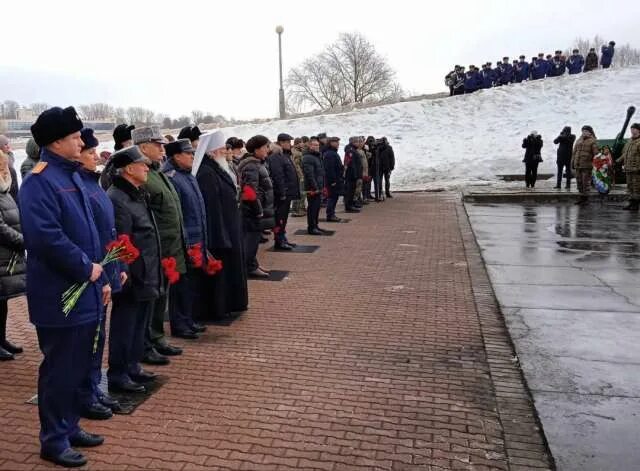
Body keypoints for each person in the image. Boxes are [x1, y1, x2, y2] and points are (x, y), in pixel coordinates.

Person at [20, 106, 106, 468]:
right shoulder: (41, 180)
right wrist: (87, 267)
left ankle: (69, 426)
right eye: (74, 137)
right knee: (60, 369)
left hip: (83, 289)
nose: (80, 142)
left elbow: (88, 229)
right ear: (56, 142)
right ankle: (53, 440)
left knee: (78, 365)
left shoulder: (70, 176)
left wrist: (101, 274)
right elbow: (46, 238)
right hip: (60, 293)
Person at [75, 128, 124, 420]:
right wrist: (104, 275)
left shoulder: (92, 184)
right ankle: (85, 394)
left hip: (103, 270)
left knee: (97, 336)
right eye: (90, 153)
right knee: (88, 340)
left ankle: (93, 389)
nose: (95, 158)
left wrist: (118, 268)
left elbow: (109, 232)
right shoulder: (79, 186)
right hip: (90, 275)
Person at [106, 146, 161, 395]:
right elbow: (120, 239)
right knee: (125, 325)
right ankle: (118, 373)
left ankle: (132, 366)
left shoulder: (136, 193)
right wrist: (124, 270)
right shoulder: (117, 198)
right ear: (129, 169)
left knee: (139, 323)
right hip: (132, 274)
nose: (147, 167)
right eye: (142, 164)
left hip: (146, 269)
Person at [133, 126, 184, 362]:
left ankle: (156, 338)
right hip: (155, 248)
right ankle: (146, 342)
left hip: (169, 245)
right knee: (152, 298)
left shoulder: (157, 172)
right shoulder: (141, 176)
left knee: (162, 294)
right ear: (143, 147)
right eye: (158, 145)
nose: (163, 149)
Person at [195, 131, 248, 320]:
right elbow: (212, 208)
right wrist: (221, 235)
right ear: (211, 152)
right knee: (220, 275)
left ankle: (232, 303)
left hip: (229, 227)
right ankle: (219, 307)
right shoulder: (207, 172)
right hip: (220, 231)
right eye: (221, 149)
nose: (225, 152)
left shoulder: (217, 168)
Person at [162, 139, 207, 338]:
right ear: (176, 156)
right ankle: (179, 324)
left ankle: (188, 319)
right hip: (185, 241)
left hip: (196, 237)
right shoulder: (172, 178)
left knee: (191, 284)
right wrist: (187, 243)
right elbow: (177, 215)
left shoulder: (187, 175)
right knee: (181, 285)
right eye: (188, 153)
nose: (192, 156)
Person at [0, 150, 25, 361]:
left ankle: (2, 339)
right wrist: (21, 239)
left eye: (6, 167)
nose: (6, 170)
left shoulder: (4, 189)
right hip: (4, 250)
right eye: (1, 167)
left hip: (7, 254)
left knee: (3, 301)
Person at [238, 135, 274, 278]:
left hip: (256, 210)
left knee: (254, 240)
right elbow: (250, 191)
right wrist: (258, 210)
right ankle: (249, 267)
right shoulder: (251, 166)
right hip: (252, 211)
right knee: (251, 241)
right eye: (265, 147)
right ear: (257, 149)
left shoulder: (257, 163)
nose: (268, 149)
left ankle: (253, 264)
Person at [267, 133, 300, 250]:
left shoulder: (284, 155)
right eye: (287, 142)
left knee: (283, 218)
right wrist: (282, 192)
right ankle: (279, 241)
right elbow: (278, 176)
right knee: (280, 218)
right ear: (281, 143)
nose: (290, 144)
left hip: (287, 192)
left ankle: (283, 238)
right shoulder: (276, 156)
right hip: (282, 194)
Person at [302, 138, 327, 235]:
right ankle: (311, 228)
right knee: (312, 208)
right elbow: (310, 175)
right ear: (309, 146)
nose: (317, 147)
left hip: (319, 186)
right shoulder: (308, 157)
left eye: (317, 145)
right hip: (313, 188)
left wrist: (322, 186)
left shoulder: (317, 156)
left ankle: (316, 226)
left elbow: (320, 173)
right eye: (314, 145)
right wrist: (315, 188)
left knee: (317, 208)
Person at [571, 125, 599, 205]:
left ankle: (586, 199)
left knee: (585, 182)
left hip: (587, 166)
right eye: (583, 131)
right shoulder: (578, 140)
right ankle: (581, 197)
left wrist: (595, 164)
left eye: (586, 131)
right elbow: (574, 152)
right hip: (578, 165)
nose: (584, 133)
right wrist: (572, 162)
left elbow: (596, 154)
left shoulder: (593, 141)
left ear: (590, 132)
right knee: (579, 182)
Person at [616, 123, 640, 210]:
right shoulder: (630, 141)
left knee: (637, 187)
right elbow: (625, 153)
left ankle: (636, 205)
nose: (632, 130)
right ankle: (631, 203)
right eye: (631, 129)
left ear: (638, 130)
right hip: (628, 168)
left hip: (637, 169)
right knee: (630, 187)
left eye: (634, 129)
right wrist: (618, 161)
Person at [323, 136, 344, 222]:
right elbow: (329, 169)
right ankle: (330, 215)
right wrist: (333, 181)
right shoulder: (330, 154)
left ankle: (332, 214)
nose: (338, 143)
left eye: (338, 142)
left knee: (334, 197)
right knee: (332, 197)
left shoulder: (332, 153)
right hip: (333, 181)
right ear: (331, 143)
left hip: (336, 179)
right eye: (336, 142)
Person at [343, 137, 362, 212]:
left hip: (354, 174)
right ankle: (348, 206)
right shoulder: (350, 151)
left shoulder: (354, 150)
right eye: (357, 142)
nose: (358, 143)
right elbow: (351, 164)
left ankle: (351, 205)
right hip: (351, 175)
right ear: (353, 142)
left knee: (352, 191)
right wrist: (355, 175)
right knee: (349, 191)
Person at [290, 137, 307, 217]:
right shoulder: (297, 153)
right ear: (298, 143)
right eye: (301, 142)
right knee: (300, 193)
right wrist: (301, 175)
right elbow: (297, 166)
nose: (302, 143)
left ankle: (298, 209)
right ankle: (296, 210)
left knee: (300, 193)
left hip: (297, 175)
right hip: (299, 176)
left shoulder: (296, 151)